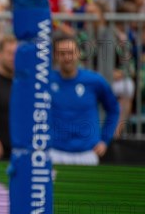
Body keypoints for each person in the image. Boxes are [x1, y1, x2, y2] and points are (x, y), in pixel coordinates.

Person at [49, 33, 120, 165]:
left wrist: (105, 140)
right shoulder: (46, 81)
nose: (67, 57)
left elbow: (113, 109)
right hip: (54, 152)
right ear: (55, 55)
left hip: (87, 154)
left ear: (78, 53)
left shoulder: (95, 81)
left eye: (70, 52)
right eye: (61, 53)